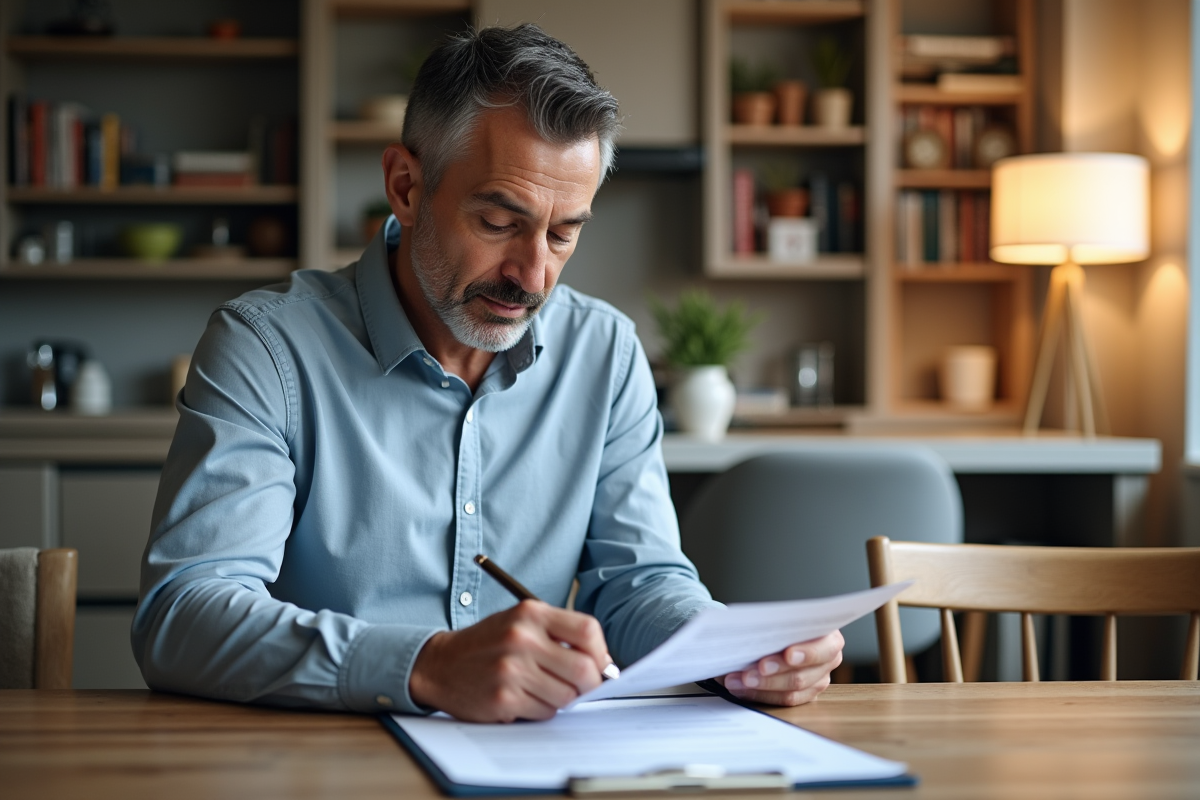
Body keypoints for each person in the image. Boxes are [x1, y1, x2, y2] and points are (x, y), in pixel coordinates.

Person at [132, 23, 843, 723]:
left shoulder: (606, 352)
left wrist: (728, 651)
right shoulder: (266, 346)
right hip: (317, 765)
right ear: (406, 187)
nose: (533, 276)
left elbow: (638, 583)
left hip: (535, 763)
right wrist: (426, 666)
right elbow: (184, 614)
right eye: (500, 222)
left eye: (565, 232)